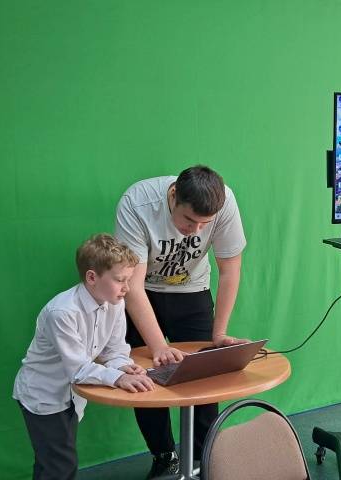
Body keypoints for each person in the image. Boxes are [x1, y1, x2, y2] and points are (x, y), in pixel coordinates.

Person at [114, 164, 247, 478]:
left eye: (205, 223)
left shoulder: (226, 201)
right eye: (189, 220)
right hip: (144, 292)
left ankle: (205, 458)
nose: (196, 230)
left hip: (192, 290)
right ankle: (164, 457)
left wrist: (219, 333)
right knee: (144, 376)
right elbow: (132, 286)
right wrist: (158, 346)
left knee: (206, 373)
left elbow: (230, 270)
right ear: (173, 195)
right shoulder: (137, 203)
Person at [13, 234, 154, 480]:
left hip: (71, 396)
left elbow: (114, 350)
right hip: (44, 395)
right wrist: (118, 378)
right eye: (120, 280)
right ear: (91, 277)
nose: (127, 288)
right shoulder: (62, 312)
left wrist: (124, 366)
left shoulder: (115, 303)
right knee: (60, 466)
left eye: (129, 280)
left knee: (51, 463)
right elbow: (78, 370)